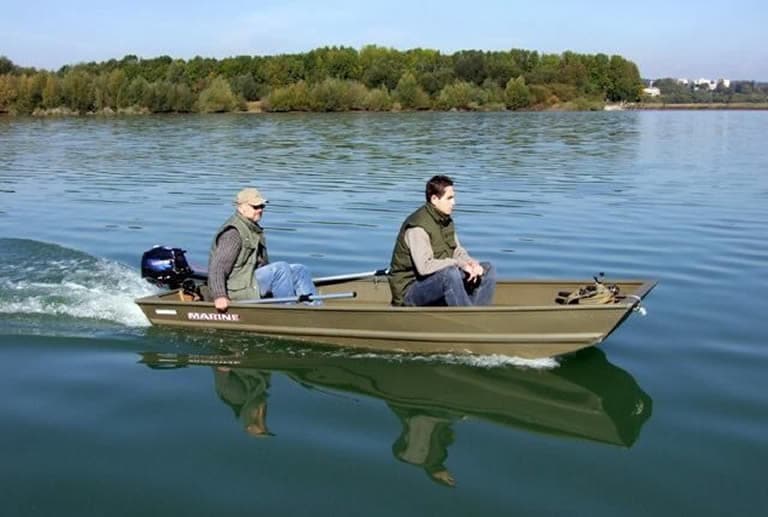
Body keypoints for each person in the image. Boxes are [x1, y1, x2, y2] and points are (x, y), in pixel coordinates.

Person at [389, 175, 496, 306]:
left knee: (487, 268)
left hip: (436, 280)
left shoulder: (445, 220)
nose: (454, 203)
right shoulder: (418, 227)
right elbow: (424, 267)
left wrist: (471, 264)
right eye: (449, 198)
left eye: (454, 197)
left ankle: (480, 314)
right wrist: (459, 264)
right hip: (410, 291)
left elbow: (457, 250)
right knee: (449, 275)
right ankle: (467, 317)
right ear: (434, 199)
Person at [208, 187, 318, 311]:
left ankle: (314, 308)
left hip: (250, 279)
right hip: (237, 288)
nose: (260, 210)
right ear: (241, 207)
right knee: (280, 269)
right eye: (255, 207)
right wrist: (219, 296)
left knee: (300, 270)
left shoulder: (252, 228)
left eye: (262, 206)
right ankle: (288, 311)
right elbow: (217, 267)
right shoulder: (233, 234)